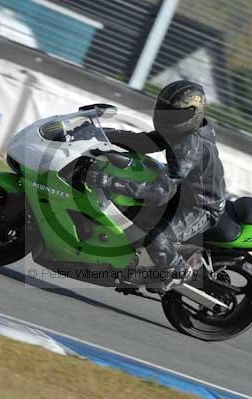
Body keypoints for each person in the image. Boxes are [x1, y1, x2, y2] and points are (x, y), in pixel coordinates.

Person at [87, 80, 227, 288]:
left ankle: (178, 270)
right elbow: (143, 142)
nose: (166, 118)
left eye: (174, 115)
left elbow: (163, 191)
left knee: (157, 237)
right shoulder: (179, 132)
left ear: (192, 113)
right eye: (164, 111)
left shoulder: (190, 145)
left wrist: (111, 182)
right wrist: (100, 133)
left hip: (201, 206)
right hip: (182, 194)